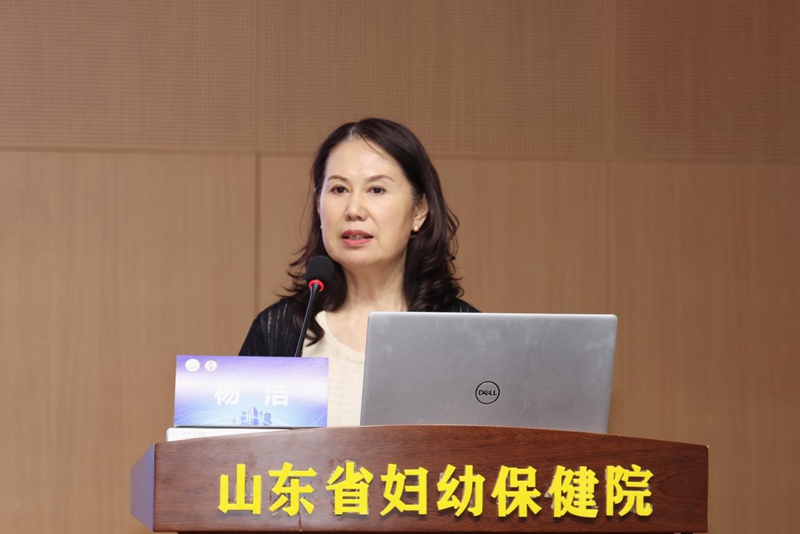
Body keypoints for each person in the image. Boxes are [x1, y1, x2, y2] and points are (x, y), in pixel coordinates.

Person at [239, 118, 477, 425]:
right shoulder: (280, 330)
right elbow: (236, 448)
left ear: (419, 211)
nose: (354, 210)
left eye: (376, 189)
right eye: (339, 189)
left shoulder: (467, 335)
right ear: (318, 205)